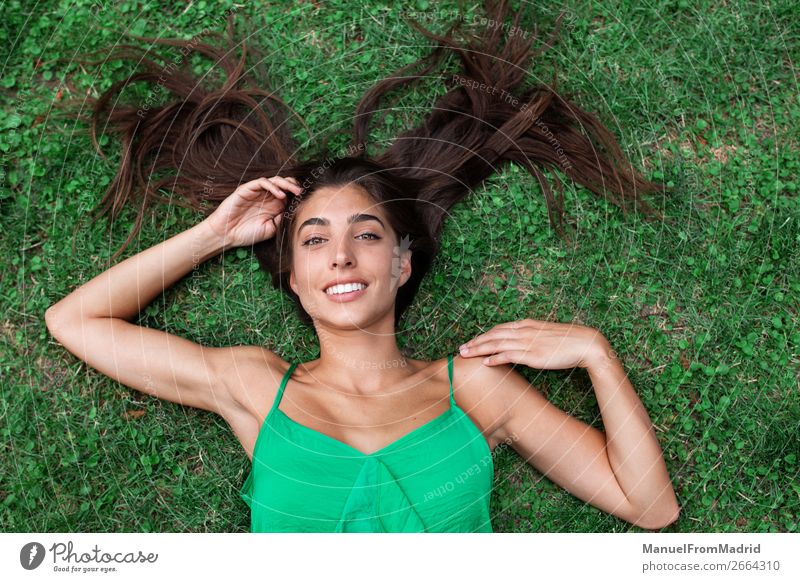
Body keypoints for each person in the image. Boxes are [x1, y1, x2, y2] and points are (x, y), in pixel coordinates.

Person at [46, 1, 680, 532]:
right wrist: (214, 235)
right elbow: (74, 320)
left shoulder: (477, 391)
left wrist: (598, 355)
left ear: (403, 264)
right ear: (293, 277)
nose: (342, 255)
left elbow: (649, 508)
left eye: (367, 234)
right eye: (315, 240)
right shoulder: (257, 387)